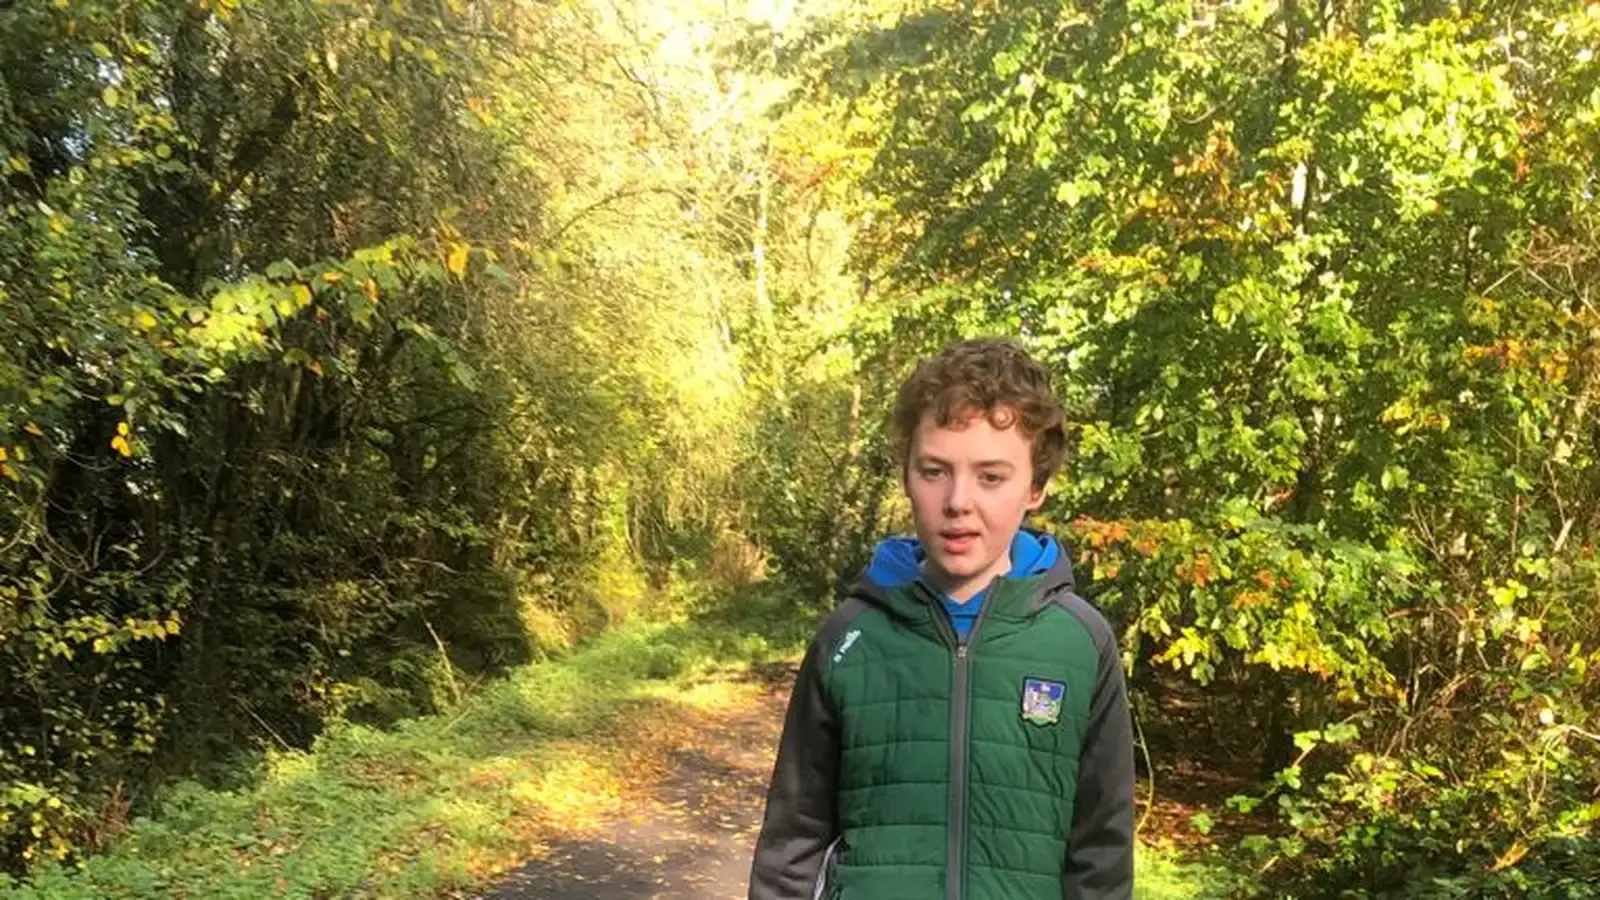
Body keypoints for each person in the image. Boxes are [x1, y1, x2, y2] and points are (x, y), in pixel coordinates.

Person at [747, 337, 1136, 900]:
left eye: (991, 477)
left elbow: (1100, 853)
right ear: (907, 475)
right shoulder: (849, 638)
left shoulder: (1079, 643)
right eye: (935, 471)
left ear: (1037, 486)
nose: (958, 501)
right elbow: (793, 838)